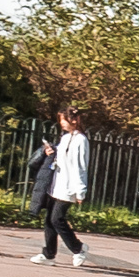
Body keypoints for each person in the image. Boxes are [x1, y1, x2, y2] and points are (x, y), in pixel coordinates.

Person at [33, 104, 92, 264]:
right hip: (56, 184)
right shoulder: (66, 138)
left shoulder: (81, 140)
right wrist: (50, 151)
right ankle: (48, 253)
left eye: (64, 120)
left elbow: (80, 166)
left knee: (57, 218)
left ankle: (78, 248)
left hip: (69, 186)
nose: (62, 123)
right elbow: (60, 157)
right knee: (49, 220)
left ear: (74, 120)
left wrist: (80, 191)